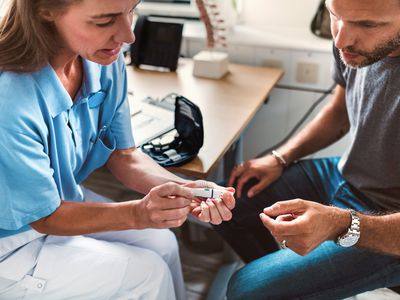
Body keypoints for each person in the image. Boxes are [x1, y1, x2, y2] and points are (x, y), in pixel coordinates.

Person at [0, 0, 235, 299]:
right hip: (12, 240)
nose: (128, 35)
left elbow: (123, 156)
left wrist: (188, 189)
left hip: (58, 201)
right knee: (147, 274)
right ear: (46, 11)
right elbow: (45, 217)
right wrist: (139, 213)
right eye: (104, 21)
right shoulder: (9, 101)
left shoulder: (102, 62)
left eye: (131, 10)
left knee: (162, 243)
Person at [214, 0, 400, 299]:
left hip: (392, 223)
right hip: (348, 176)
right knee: (229, 202)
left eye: (367, 25)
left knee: (246, 288)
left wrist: (341, 223)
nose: (340, 39)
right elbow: (339, 112)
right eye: (335, 16)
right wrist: (280, 157)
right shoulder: (352, 42)